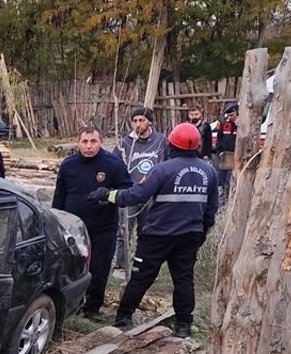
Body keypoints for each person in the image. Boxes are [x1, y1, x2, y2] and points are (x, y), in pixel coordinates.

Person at [89, 122, 219, 339]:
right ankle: (183, 325)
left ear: (172, 145)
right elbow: (212, 208)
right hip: (189, 235)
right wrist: (201, 232)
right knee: (184, 280)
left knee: (141, 277)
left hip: (157, 235)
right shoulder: (209, 171)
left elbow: (135, 196)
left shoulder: (162, 169)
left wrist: (107, 195)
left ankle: (123, 317)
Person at [51, 126, 133, 322]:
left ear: (101, 142)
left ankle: (92, 307)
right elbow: (59, 194)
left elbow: (128, 191)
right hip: (73, 227)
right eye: (84, 142)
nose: (88, 146)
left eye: (93, 141)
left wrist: (108, 196)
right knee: (71, 266)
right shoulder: (68, 165)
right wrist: (55, 220)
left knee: (99, 268)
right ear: (78, 143)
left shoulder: (113, 164)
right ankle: (72, 304)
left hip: (103, 227)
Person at [113, 106, 166, 269]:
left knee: (147, 232)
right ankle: (121, 266)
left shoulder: (161, 141)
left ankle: (142, 263)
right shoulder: (124, 143)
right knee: (123, 231)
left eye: (142, 120)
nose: (138, 124)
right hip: (131, 194)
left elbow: (168, 163)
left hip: (152, 194)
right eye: (135, 121)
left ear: (149, 122)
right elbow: (115, 164)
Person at [214, 102, 239, 200]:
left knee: (231, 180)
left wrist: (240, 126)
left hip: (236, 156)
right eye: (229, 115)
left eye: (232, 115)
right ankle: (224, 200)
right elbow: (219, 139)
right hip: (225, 156)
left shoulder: (244, 125)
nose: (230, 117)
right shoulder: (224, 124)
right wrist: (218, 151)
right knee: (223, 180)